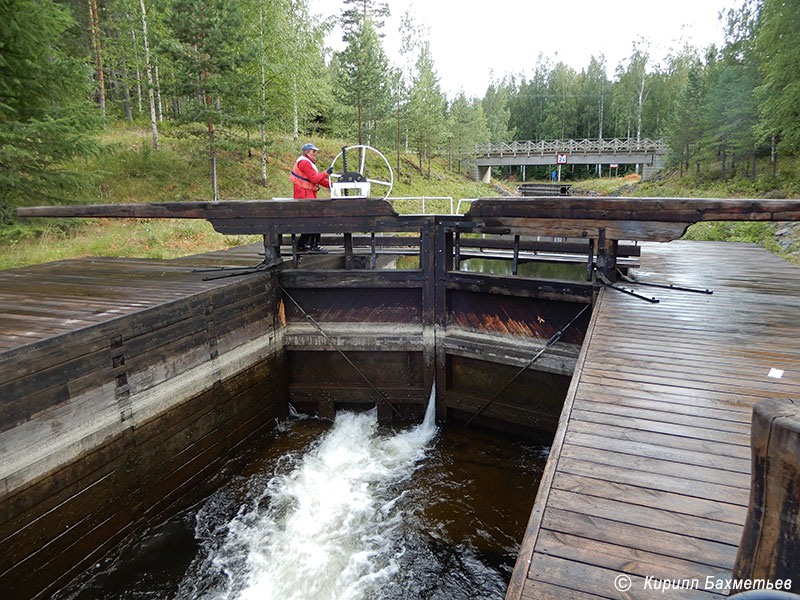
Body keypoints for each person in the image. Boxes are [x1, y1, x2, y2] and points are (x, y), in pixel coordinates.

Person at [290, 142, 332, 253]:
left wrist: (333, 185)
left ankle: (301, 245)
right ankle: (314, 246)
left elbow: (319, 179)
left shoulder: (306, 162)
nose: (315, 153)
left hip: (307, 194)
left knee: (311, 221)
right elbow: (314, 179)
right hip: (304, 195)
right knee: (314, 220)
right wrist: (326, 173)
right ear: (307, 152)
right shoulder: (305, 163)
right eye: (313, 151)